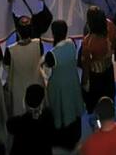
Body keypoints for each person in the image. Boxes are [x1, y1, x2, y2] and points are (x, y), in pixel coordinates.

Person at [45, 18, 83, 149]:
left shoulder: (51, 55)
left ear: (53, 33)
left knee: (61, 111)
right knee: (72, 109)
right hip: (72, 84)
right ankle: (74, 138)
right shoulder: (72, 44)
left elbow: (47, 74)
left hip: (58, 89)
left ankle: (61, 141)